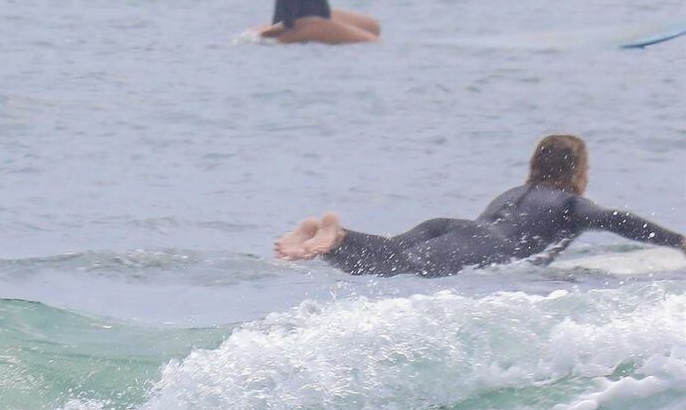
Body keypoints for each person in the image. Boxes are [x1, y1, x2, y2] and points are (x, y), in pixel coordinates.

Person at [275, 135, 684, 277]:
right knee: (407, 269)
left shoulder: (513, 193)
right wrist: (677, 241)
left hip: (450, 227)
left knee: (392, 258)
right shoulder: (569, 204)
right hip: (487, 246)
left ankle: (328, 240)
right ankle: (336, 237)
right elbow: (617, 220)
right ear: (578, 171)